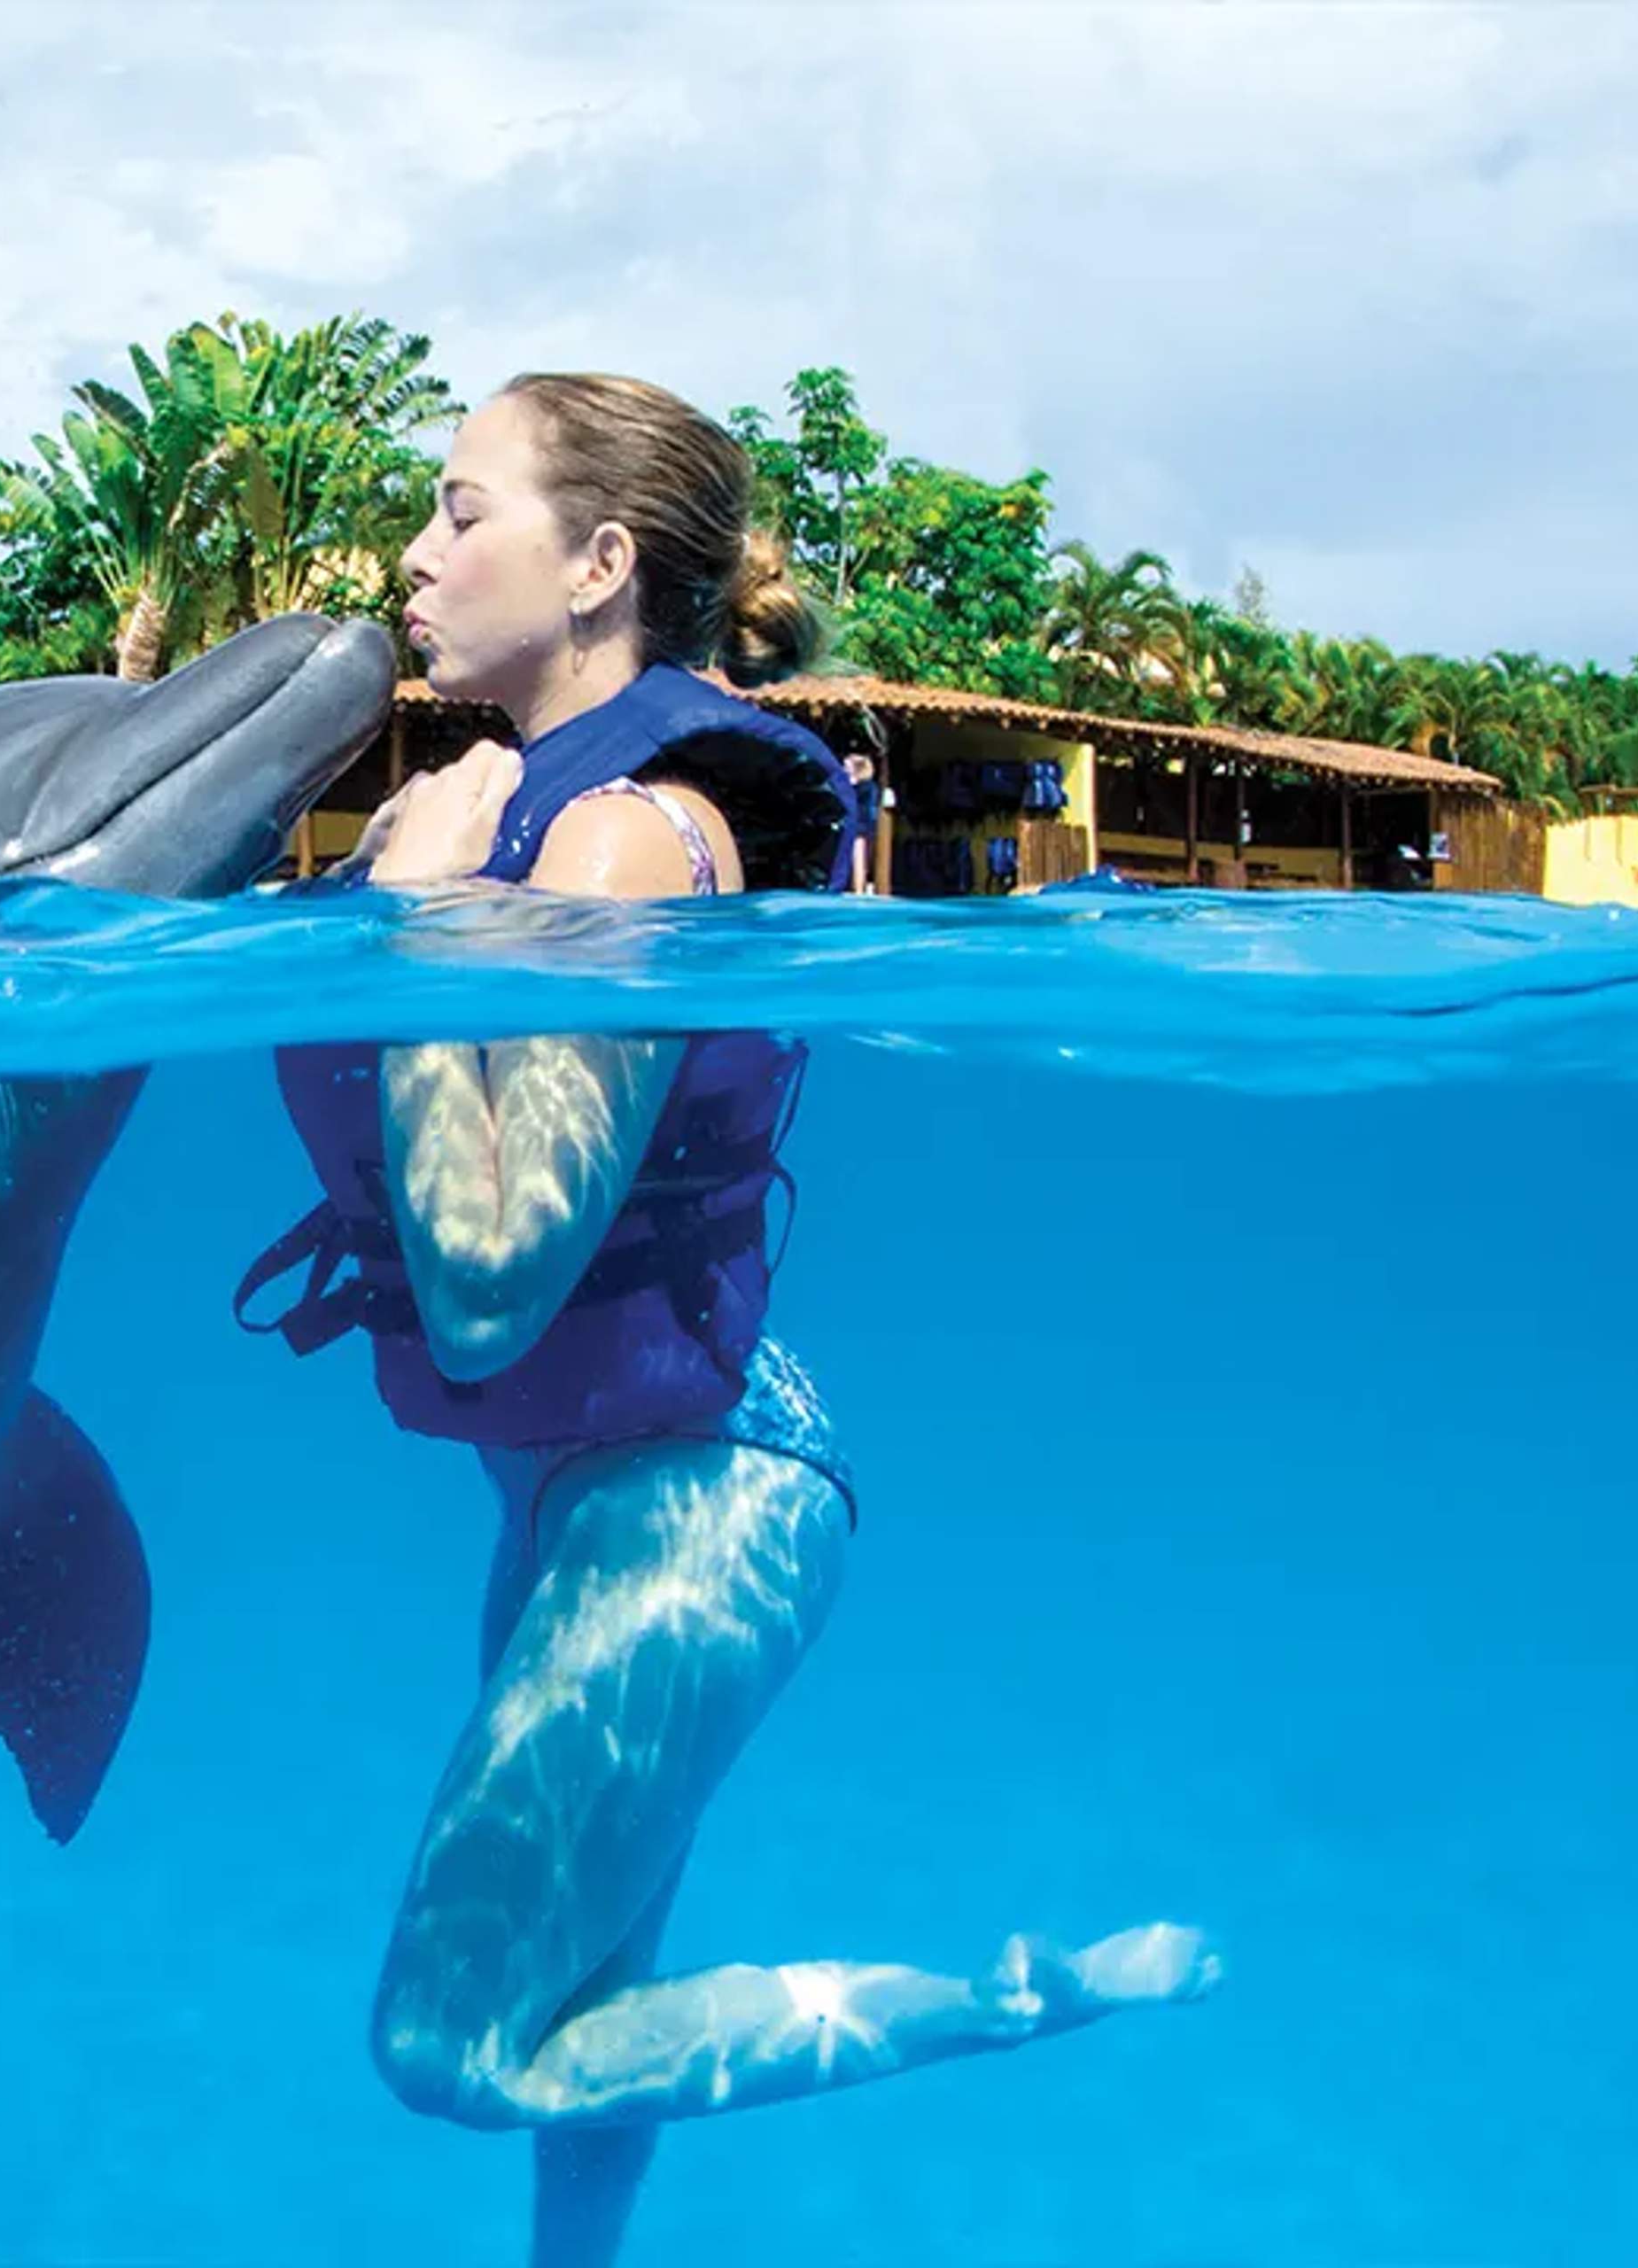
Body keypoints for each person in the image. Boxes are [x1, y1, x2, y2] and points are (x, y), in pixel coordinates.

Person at [237, 374, 1216, 2268]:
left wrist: (432, 913)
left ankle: (1018, 1993)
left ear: (600, 563)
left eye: (459, 511)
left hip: (702, 1492)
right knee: (591, 1985)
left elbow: (499, 1277)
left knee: (450, 2039)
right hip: (601, 1492)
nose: (413, 558)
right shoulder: (519, 810)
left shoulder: (624, 837)